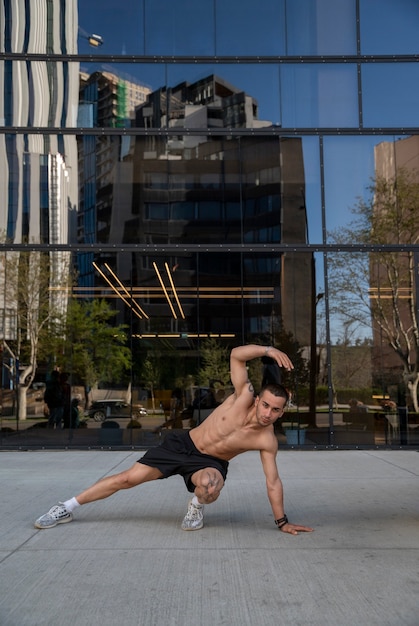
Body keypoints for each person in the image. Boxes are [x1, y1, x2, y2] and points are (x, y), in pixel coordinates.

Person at [34, 344, 313, 536]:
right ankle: (66, 507)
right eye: (266, 405)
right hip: (183, 444)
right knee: (126, 479)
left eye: (276, 410)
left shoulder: (267, 440)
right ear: (260, 399)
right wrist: (268, 351)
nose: (268, 413)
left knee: (210, 485)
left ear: (282, 411)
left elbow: (272, 481)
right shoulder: (243, 396)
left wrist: (282, 522)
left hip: (210, 462)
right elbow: (237, 355)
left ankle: (196, 507)